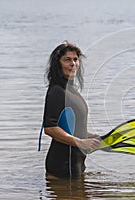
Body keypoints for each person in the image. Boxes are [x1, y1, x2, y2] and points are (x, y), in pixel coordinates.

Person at [43, 41, 100, 178]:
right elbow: (50, 127)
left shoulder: (71, 90)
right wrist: (80, 142)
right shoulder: (57, 91)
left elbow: (72, 127)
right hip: (62, 166)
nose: (73, 63)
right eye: (67, 60)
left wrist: (92, 137)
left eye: (75, 59)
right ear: (58, 64)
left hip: (76, 163)